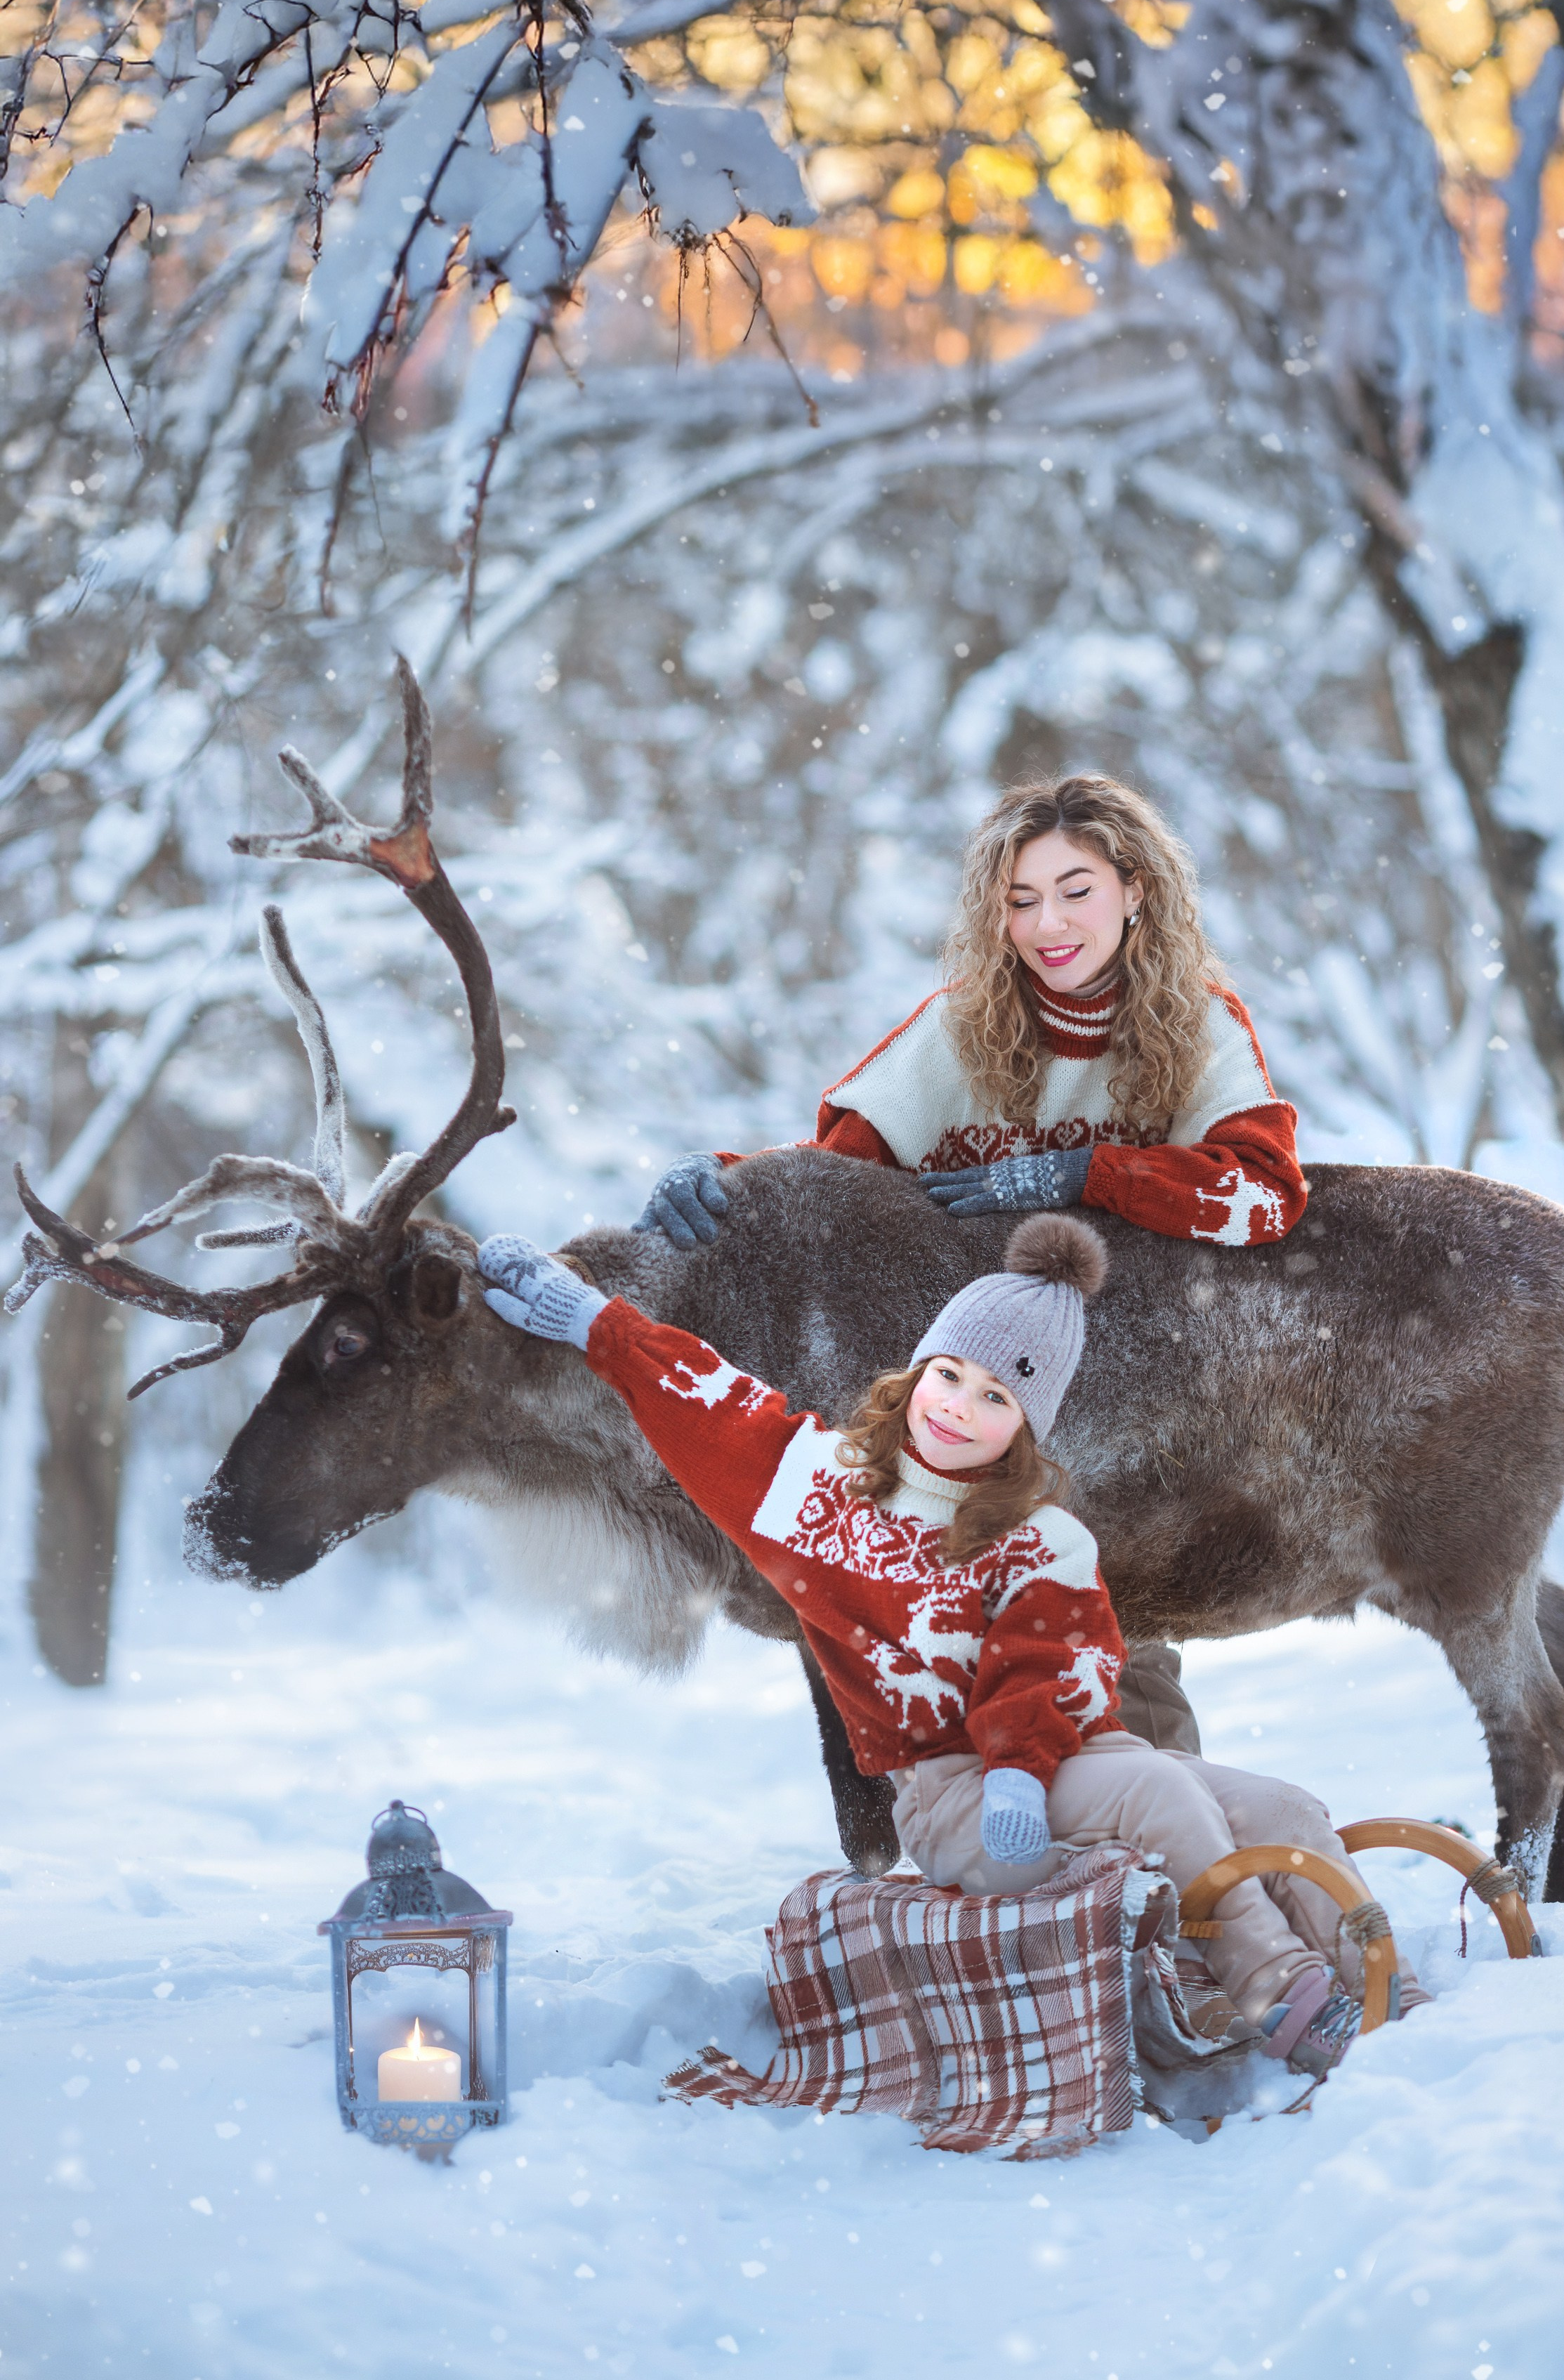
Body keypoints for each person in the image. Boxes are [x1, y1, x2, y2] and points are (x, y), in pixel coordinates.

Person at [477, 1212, 1420, 2080]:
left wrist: (1026, 1761)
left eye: (996, 1397)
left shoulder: (1038, 1537)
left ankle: (1385, 1983)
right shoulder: (821, 1499)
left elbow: (1049, 1661)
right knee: (1162, 1788)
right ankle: (1279, 1991)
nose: (959, 1408)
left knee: (1286, 1805)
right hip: (955, 1799)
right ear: (918, 1371)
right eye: (949, 1376)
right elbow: (713, 1405)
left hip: (1058, 1768)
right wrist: (596, 1322)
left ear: (1024, 1427)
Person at [633, 775, 1307, 1758]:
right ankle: (981, 1860)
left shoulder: (1197, 1025)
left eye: (1074, 889)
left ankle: (1156, 1863)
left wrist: (1088, 1171)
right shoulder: (960, 1027)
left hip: (1127, 1385)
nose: (1048, 923)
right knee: (936, 1629)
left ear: (1135, 890)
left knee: (1110, 1640)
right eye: (1021, 899)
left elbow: (1261, 1193)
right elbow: (833, 1171)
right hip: (962, 1390)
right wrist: (722, 1176)